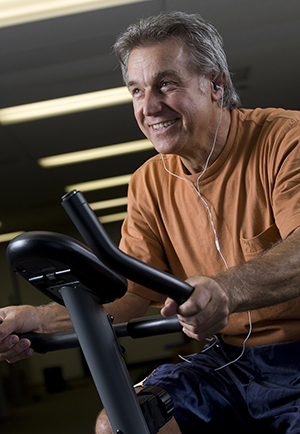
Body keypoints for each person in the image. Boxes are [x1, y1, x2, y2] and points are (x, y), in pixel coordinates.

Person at [1, 11, 300, 433]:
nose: (148, 106)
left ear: (215, 84)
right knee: (122, 424)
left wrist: (226, 290)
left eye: (166, 84)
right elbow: (127, 295)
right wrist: (38, 318)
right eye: (137, 90)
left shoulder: (286, 140)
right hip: (231, 361)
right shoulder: (149, 181)